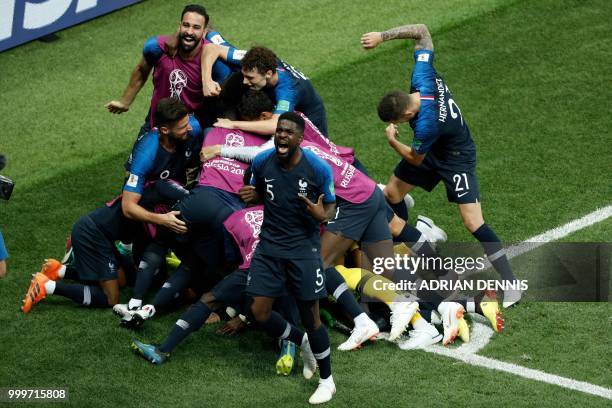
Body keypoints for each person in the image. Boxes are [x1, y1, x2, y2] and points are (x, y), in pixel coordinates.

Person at [361, 23, 520, 307]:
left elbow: (414, 157)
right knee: (393, 194)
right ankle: (410, 249)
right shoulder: (422, 77)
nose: (395, 125)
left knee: (473, 222)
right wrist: (382, 37)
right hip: (436, 148)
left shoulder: (427, 124)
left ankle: (511, 284)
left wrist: (392, 142)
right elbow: (422, 31)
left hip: (456, 158)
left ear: (407, 113)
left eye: (396, 121)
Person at [21, 98, 202, 313]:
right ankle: (47, 285)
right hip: (93, 233)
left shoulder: (192, 128)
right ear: (164, 129)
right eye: (182, 126)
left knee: (126, 279)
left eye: (188, 121)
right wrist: (163, 220)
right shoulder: (147, 152)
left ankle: (59, 270)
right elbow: (128, 207)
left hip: (116, 230)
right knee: (110, 297)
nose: (189, 128)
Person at [240, 112, 337, 404]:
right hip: (269, 247)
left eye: (288, 132)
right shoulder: (262, 161)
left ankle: (327, 380)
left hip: (302, 250)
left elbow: (331, 208)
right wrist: (252, 196)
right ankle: (301, 341)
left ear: (300, 138)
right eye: (279, 130)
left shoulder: (318, 170)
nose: (282, 135)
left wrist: (323, 216)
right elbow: (259, 190)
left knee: (312, 317)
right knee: (258, 312)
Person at [105, 4, 237, 131]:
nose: (190, 31)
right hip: (158, 120)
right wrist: (125, 101)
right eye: (186, 25)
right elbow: (141, 70)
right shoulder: (157, 48)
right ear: (179, 26)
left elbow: (227, 98)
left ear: (204, 32)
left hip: (192, 126)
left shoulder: (219, 64)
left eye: (196, 27)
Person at [201, 45, 328, 136]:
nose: (245, 81)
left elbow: (276, 126)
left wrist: (233, 124)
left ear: (268, 74)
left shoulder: (288, 89)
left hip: (311, 121)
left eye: (250, 78)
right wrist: (207, 81)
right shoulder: (255, 62)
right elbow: (211, 48)